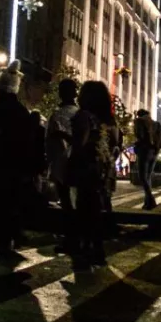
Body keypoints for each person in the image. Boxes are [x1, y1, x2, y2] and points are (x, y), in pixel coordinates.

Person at [0, 65, 42, 251]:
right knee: (11, 200)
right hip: (15, 166)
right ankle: (9, 233)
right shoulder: (22, 111)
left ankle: (0, 234)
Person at [66, 80, 116, 269]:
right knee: (94, 209)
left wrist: (70, 160)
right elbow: (112, 144)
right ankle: (96, 249)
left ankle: (85, 250)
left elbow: (79, 143)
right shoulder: (104, 120)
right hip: (99, 168)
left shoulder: (84, 116)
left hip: (85, 166)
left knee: (83, 208)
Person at [46, 78, 80, 215]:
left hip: (60, 162)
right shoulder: (80, 113)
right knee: (75, 198)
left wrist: (50, 162)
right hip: (77, 161)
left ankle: (70, 228)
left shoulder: (56, 115)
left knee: (65, 197)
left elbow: (49, 142)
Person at [132, 108, 158, 210]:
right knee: (148, 177)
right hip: (154, 152)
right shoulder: (155, 123)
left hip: (144, 150)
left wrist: (138, 142)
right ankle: (147, 202)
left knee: (143, 177)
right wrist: (158, 146)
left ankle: (151, 200)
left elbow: (139, 135)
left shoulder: (139, 121)